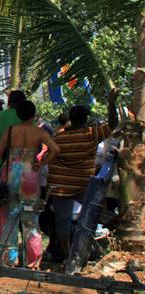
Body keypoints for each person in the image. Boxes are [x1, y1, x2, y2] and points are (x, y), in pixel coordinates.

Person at [0, 100, 59, 268]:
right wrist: (41, 163)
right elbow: (55, 149)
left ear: (18, 114)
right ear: (33, 114)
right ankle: (33, 260)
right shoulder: (39, 132)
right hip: (30, 174)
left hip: (11, 172)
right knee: (30, 218)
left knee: (10, 216)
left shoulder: (10, 130)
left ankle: (10, 259)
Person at [47, 105, 110, 259]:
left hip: (61, 185)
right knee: (96, 214)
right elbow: (113, 124)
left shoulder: (58, 137)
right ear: (85, 119)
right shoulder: (91, 134)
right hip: (83, 185)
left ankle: (67, 254)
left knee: (62, 221)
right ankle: (87, 250)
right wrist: (112, 103)